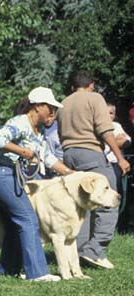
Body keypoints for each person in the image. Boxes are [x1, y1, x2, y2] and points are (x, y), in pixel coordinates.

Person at [0, 87, 73, 282]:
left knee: (14, 222)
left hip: (9, 175)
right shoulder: (20, 122)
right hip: (1, 173)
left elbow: (48, 157)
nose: (52, 112)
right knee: (28, 218)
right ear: (37, 106)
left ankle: (8, 269)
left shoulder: (39, 130)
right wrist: (21, 151)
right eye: (50, 107)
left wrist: (69, 173)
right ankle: (37, 273)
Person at [58, 71, 131, 269]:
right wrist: (120, 158)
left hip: (69, 155)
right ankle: (96, 250)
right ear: (91, 85)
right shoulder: (95, 98)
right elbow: (105, 130)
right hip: (91, 154)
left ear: (73, 87)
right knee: (109, 201)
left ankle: (79, 251)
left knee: (82, 205)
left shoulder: (63, 103)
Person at [105, 102, 131, 194]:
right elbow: (102, 148)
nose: (108, 115)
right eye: (105, 112)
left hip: (116, 162)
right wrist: (117, 142)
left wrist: (111, 143)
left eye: (111, 113)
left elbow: (128, 140)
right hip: (104, 162)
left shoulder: (116, 126)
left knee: (117, 187)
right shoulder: (97, 127)